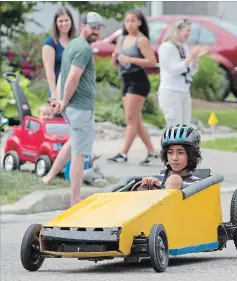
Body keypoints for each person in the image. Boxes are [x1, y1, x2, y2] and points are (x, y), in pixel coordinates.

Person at [43, 12, 104, 206]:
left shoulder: (73, 45)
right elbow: (72, 78)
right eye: (92, 27)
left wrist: (62, 101)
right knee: (79, 154)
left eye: (98, 28)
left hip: (74, 108)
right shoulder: (83, 49)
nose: (95, 31)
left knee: (72, 144)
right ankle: (75, 200)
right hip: (80, 108)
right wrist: (64, 101)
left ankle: (49, 176)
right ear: (83, 25)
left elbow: (64, 75)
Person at [107, 10, 158, 166]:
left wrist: (131, 59)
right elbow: (112, 64)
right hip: (126, 80)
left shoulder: (141, 40)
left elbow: (152, 61)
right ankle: (151, 152)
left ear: (139, 23)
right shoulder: (121, 39)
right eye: (127, 21)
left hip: (138, 80)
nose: (129, 24)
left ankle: (123, 153)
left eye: (133, 21)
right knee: (135, 119)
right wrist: (114, 57)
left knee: (130, 119)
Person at [157, 18, 207, 127]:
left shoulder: (184, 47)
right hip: (171, 92)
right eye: (187, 30)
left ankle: (182, 144)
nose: (189, 33)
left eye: (190, 30)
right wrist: (190, 57)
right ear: (177, 31)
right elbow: (173, 70)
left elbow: (190, 72)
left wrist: (195, 59)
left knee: (185, 127)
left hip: (184, 91)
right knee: (174, 127)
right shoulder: (166, 47)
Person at [138, 124, 202, 190]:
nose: (174, 158)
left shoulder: (199, 184)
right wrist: (147, 186)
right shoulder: (156, 180)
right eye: (170, 153)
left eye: (180, 153)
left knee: (174, 180)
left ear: (191, 155)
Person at [42, 7, 76, 100]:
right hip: (57, 90)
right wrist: (54, 93)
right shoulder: (50, 43)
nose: (64, 24)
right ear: (56, 23)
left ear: (71, 21)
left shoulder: (76, 42)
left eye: (66, 20)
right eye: (60, 21)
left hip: (75, 91)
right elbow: (49, 71)